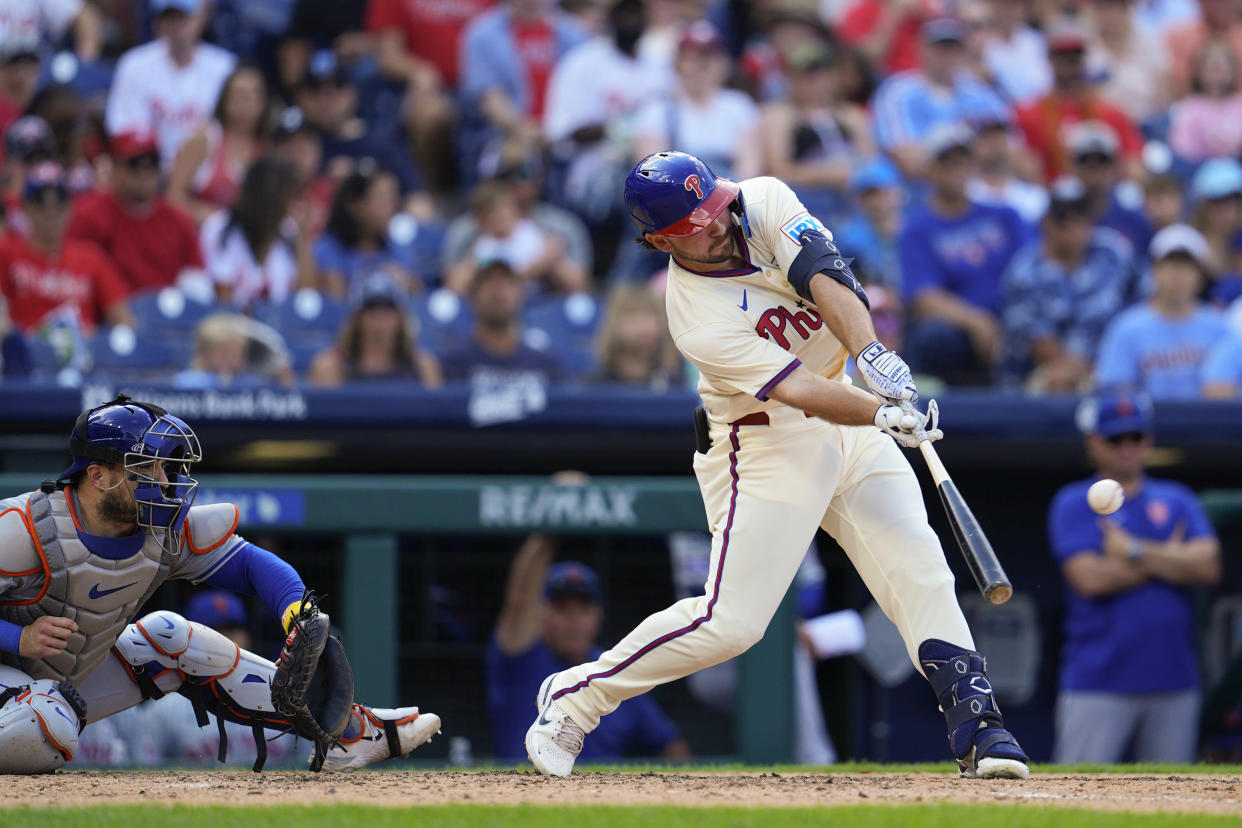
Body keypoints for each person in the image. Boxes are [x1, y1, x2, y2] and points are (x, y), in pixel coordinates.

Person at [522, 150, 1030, 779]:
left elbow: (824, 274)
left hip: (847, 399)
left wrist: (869, 353)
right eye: (693, 224)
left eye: (713, 207)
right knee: (731, 623)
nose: (715, 224)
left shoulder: (759, 201)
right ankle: (578, 697)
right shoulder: (692, 314)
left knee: (918, 564)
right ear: (657, 241)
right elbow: (795, 390)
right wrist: (876, 411)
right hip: (763, 443)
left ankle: (979, 726)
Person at [0, 395, 442, 774]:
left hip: (61, 687)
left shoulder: (161, 531)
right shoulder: (24, 528)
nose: (164, 481)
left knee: (168, 636)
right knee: (45, 724)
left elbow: (252, 565)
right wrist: (18, 637)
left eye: (164, 466)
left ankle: (350, 732)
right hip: (22, 688)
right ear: (97, 476)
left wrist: (298, 614)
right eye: (146, 468)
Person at [1048, 392, 1221, 763]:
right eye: (1115, 439)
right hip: (1097, 680)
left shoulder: (1178, 498)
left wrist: (1134, 552)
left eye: (1136, 437)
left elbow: (1206, 567)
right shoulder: (1073, 501)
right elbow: (1090, 578)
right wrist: (1171, 558)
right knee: (1077, 799)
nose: (1127, 447)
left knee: (1172, 805)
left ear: (1149, 440)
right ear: (1094, 442)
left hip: (1173, 680)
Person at [488, 536, 691, 762]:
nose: (574, 620)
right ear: (541, 616)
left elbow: (668, 742)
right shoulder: (521, 660)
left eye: (583, 609)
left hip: (601, 795)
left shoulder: (616, 668)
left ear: (598, 616)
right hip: (527, 787)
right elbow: (520, 600)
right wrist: (546, 535)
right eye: (562, 609)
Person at [899, 123, 1030, 385]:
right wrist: (977, 322)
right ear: (931, 171)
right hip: (960, 328)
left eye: (962, 161)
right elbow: (924, 298)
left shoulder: (1005, 215)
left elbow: (1035, 268)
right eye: (946, 163)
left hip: (1014, 316)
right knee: (933, 337)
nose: (956, 169)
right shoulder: (917, 229)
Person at [1002, 177, 1138, 392]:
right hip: (1038, 374)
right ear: (1046, 222)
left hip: (1107, 366)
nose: (1072, 225)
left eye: (1080, 216)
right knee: (1058, 382)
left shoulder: (1112, 253)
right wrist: (1079, 371)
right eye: (1062, 217)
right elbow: (1040, 343)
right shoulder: (1024, 270)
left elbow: (1141, 303)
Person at [1095, 223, 1230, 398]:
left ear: (1199, 274)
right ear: (1154, 270)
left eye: (1186, 266)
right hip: (1146, 423)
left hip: (1206, 423)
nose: (1177, 275)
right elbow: (1116, 393)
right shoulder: (1127, 328)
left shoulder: (1219, 328)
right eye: (1170, 265)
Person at [66, 131, 203, 297]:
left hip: (167, 314)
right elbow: (72, 275)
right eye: (134, 163)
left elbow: (196, 283)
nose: (143, 172)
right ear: (115, 167)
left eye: (152, 163)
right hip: (108, 316)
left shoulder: (178, 221)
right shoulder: (87, 216)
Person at [870, 17, 1010, 180]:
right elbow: (906, 159)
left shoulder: (983, 95)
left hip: (979, 194)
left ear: (963, 50)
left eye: (952, 47)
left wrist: (938, 158)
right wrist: (975, 160)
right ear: (922, 48)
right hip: (918, 194)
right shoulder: (898, 92)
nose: (946, 54)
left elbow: (1008, 152)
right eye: (939, 47)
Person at [0, 163, 132, 335]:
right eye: (41, 202)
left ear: (70, 207)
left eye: (59, 201)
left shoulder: (91, 257)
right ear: (26, 208)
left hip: (83, 356)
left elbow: (124, 319)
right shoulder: (7, 252)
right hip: (25, 356)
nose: (51, 212)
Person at [105, 0, 237, 166]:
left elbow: (236, 133)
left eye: (183, 16)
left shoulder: (225, 67)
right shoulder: (133, 65)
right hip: (148, 171)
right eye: (169, 17)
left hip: (207, 173)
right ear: (157, 22)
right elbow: (123, 128)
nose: (176, 25)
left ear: (201, 17)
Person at [760, 42, 875, 228]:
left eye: (822, 74)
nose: (816, 82)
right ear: (792, 80)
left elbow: (871, 163)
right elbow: (779, 170)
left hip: (852, 194)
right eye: (807, 76)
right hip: (807, 198)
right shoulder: (780, 116)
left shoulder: (851, 115)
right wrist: (828, 174)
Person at [632, 21, 762, 183]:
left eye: (710, 57)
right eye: (693, 58)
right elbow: (650, 174)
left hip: (730, 194)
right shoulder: (658, 108)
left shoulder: (739, 105)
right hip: (676, 196)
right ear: (677, 63)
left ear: (724, 63)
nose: (702, 65)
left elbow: (749, 170)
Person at [1014, 20, 1144, 182]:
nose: (1070, 63)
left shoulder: (1111, 113)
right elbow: (1024, 169)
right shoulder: (1028, 115)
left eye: (1075, 56)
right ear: (1049, 58)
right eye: (1063, 56)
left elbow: (1133, 164)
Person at [200, 157, 314, 307]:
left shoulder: (289, 231)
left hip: (278, 324)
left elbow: (305, 296)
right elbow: (223, 299)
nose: (294, 203)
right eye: (289, 195)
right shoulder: (220, 228)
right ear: (268, 194)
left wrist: (302, 238)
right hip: (230, 323)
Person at [444, 180, 588, 294]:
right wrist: (533, 269)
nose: (500, 216)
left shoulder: (533, 235)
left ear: (516, 211)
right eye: (492, 212)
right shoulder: (483, 247)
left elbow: (578, 285)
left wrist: (553, 261)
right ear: (481, 222)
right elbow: (454, 289)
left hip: (541, 306)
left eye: (504, 209)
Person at [168, 65, 270, 224]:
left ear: (263, 104)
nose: (245, 104)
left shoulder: (268, 150)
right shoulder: (203, 140)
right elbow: (173, 198)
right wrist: (214, 220)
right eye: (239, 96)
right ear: (224, 101)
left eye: (253, 97)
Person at [440, 259, 561, 388]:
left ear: (521, 295)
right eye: (488, 281)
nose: (498, 289)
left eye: (507, 281)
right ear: (472, 296)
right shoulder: (453, 363)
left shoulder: (544, 364)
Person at [308, 274, 441, 387]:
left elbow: (435, 412)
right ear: (357, 319)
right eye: (371, 311)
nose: (379, 320)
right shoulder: (333, 366)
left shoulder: (422, 367)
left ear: (400, 319)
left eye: (387, 312)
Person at [314, 164, 416, 299]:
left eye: (393, 197)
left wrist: (408, 282)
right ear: (354, 205)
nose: (391, 207)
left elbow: (416, 292)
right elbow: (336, 301)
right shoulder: (328, 247)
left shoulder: (398, 244)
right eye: (382, 198)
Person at [1067, 120, 1152, 259]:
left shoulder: (1134, 219)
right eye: (1084, 160)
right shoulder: (1059, 218)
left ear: (1114, 165)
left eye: (1101, 160)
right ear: (1072, 165)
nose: (1093, 167)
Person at [1083, 0, 1171, 125]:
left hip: (1148, 122)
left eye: (1115, 8)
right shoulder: (1084, 48)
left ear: (1127, 10)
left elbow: (1164, 94)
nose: (1109, 16)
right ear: (1092, 12)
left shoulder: (1150, 42)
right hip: (1103, 123)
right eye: (1102, 9)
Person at [173, 312, 294, 389]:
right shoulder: (187, 382)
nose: (230, 358)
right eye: (223, 352)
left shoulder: (252, 384)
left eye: (236, 353)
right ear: (205, 353)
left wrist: (283, 375)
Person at [594, 283, 683, 387]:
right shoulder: (594, 387)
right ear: (614, 324)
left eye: (650, 315)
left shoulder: (679, 385)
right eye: (632, 314)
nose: (643, 324)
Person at [1167, 40, 1242, 162]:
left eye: (1222, 67)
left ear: (1233, 71)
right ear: (1198, 72)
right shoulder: (1190, 108)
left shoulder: (1239, 105)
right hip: (1200, 171)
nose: (1217, 74)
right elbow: (1182, 150)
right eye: (1212, 68)